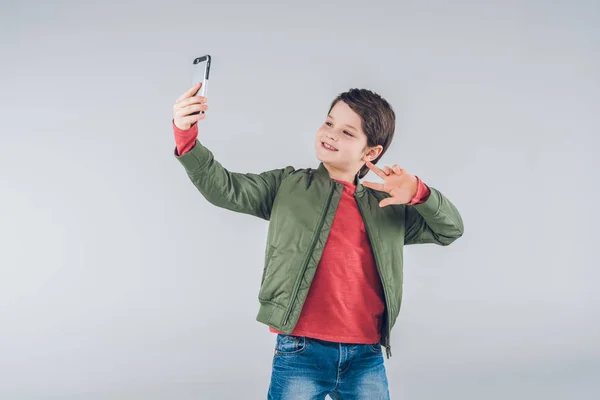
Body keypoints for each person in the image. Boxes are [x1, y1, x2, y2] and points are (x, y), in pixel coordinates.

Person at [171, 81, 464, 399]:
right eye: (328, 123)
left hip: (366, 356)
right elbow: (224, 188)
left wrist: (420, 193)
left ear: (372, 152)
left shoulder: (388, 208)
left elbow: (449, 229)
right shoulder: (288, 185)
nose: (331, 134)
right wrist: (186, 134)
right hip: (300, 350)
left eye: (348, 133)